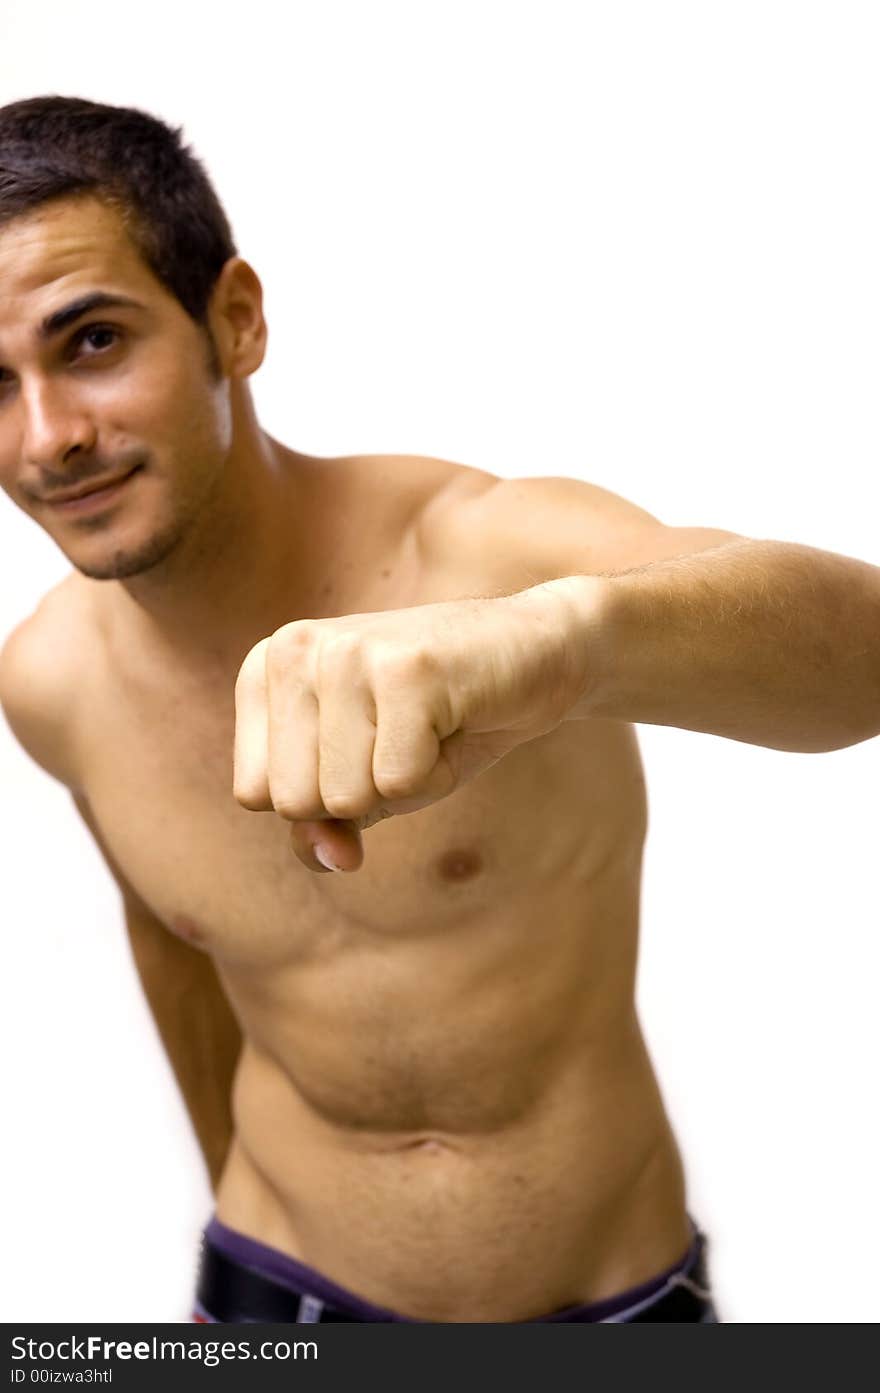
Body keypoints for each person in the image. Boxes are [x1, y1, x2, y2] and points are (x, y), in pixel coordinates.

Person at [1, 96, 877, 1327]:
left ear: (234, 320)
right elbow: (176, 948)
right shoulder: (46, 681)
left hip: (607, 1304)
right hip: (270, 1291)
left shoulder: (484, 558)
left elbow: (865, 654)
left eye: (91, 341)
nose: (49, 439)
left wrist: (558, 642)